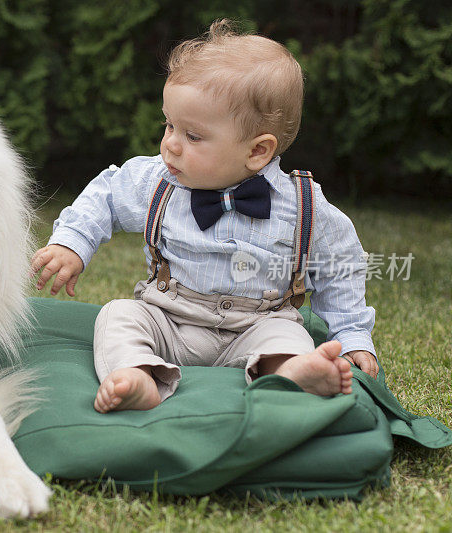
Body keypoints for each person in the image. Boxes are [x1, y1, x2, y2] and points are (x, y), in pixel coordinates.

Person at [32, 20, 378, 413]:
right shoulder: (157, 183)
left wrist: (352, 336)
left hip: (257, 325)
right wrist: (72, 242)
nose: (170, 145)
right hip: (170, 319)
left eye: (192, 136)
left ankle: (290, 373)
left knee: (287, 338)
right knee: (119, 316)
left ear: (257, 151)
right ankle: (137, 375)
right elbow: (107, 194)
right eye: (169, 125)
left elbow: (340, 266)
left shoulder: (302, 204)